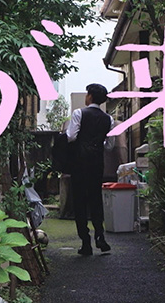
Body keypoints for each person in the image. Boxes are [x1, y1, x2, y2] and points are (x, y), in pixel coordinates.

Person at [66, 83, 115, 255]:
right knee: (96, 199)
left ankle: (85, 242)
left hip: (79, 163)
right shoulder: (108, 119)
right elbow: (109, 145)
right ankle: (100, 236)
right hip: (97, 163)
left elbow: (71, 137)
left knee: (79, 201)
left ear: (90, 96)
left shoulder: (79, 113)